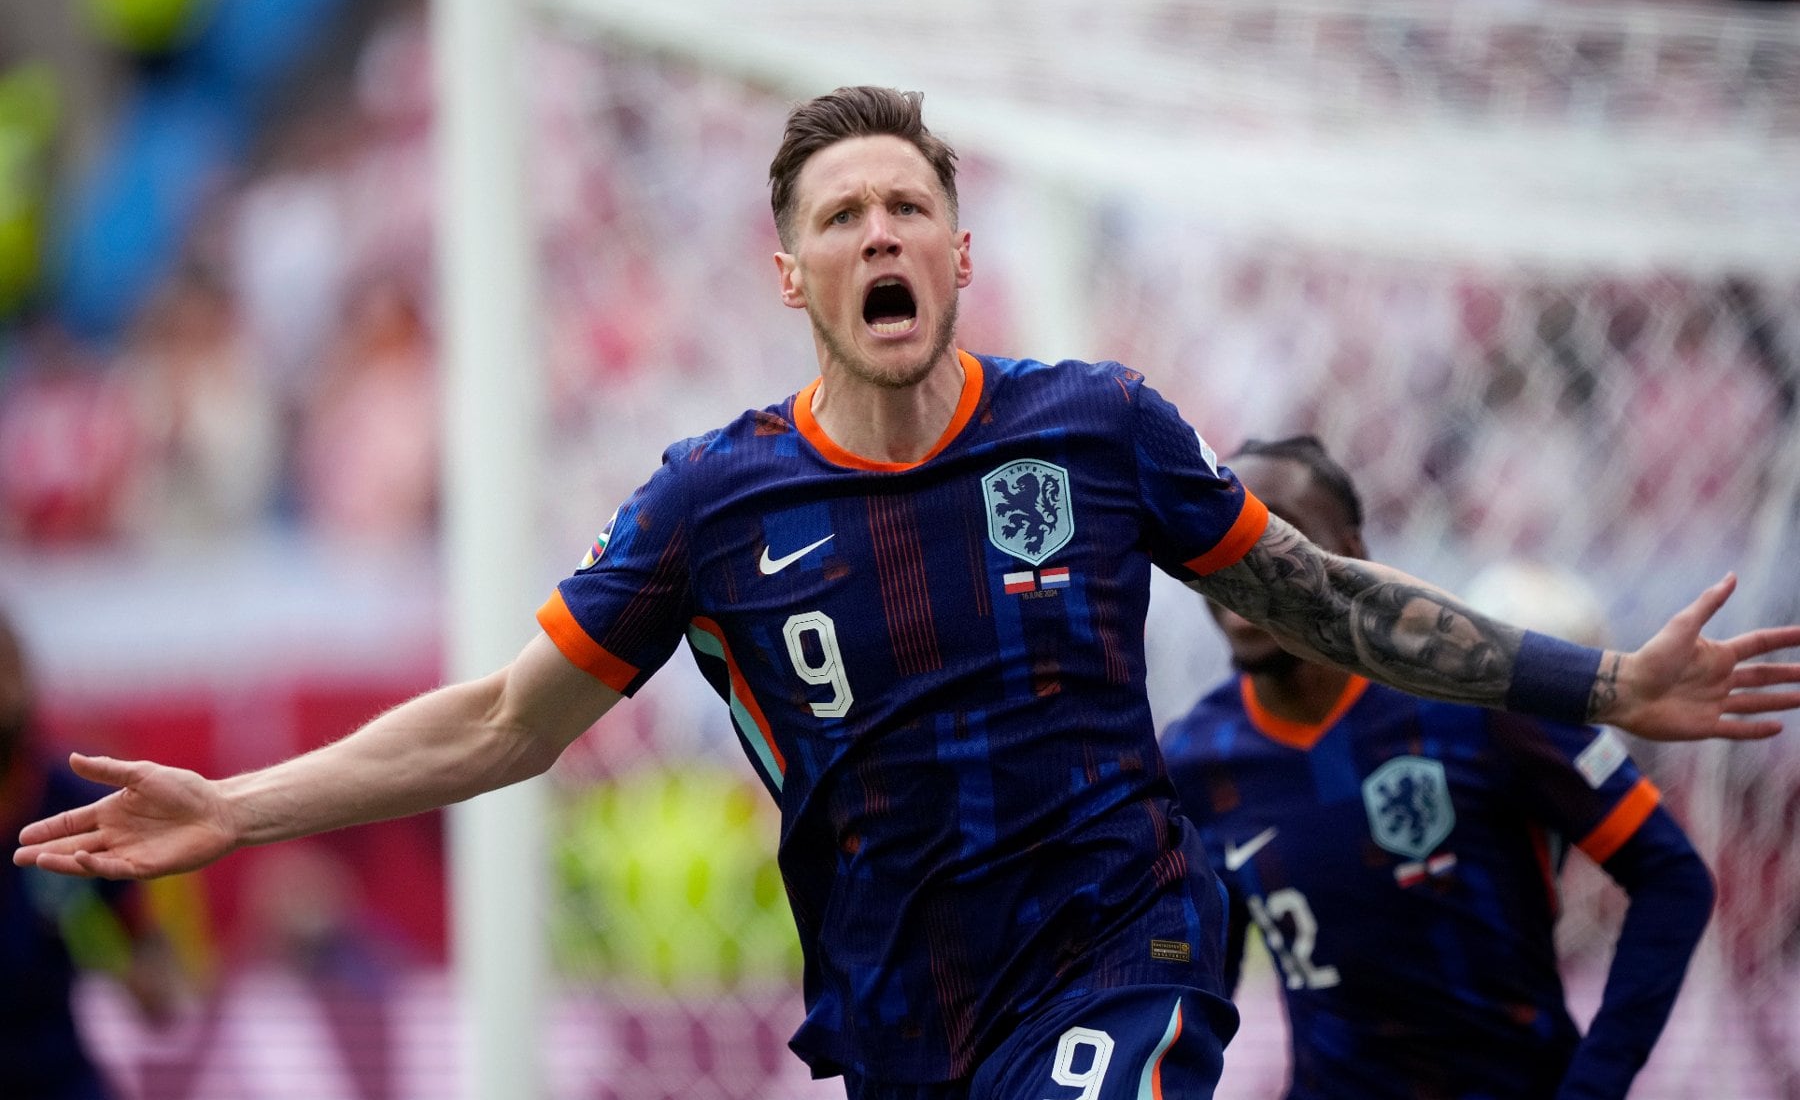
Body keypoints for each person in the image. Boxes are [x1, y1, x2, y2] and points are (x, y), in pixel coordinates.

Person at [14, 86, 1800, 1100]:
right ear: (790, 274)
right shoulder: (711, 505)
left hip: (1123, 959)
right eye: (842, 215)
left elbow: (1325, 599)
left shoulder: (1099, 429)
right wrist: (238, 806)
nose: (880, 233)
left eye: (907, 206)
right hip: (901, 1020)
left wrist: (1595, 686)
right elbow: (503, 722)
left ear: (956, 247)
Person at [1160, 436, 1717, 1099]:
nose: (1244, 568)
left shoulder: (1479, 698)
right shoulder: (1195, 763)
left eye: (1276, 538)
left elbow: (1672, 874)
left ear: (1350, 556)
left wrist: (1594, 1085)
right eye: (1224, 542)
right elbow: (1199, 980)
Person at [0, 607, 180, 1099]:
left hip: (55, 1073)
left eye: (9, 670)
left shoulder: (78, 807)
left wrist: (141, 975)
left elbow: (155, 972)